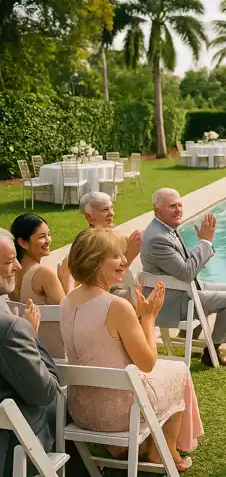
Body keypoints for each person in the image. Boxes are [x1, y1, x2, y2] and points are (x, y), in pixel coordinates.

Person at [61, 228, 203, 472]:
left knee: (160, 373)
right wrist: (148, 319)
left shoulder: (66, 301)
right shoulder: (116, 306)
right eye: (116, 256)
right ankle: (164, 451)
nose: (125, 260)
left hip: (80, 410)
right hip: (118, 414)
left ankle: (141, 447)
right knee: (179, 369)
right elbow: (147, 363)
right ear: (95, 261)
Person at [140, 188, 226, 367]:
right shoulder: (158, 238)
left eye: (180, 205)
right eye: (172, 206)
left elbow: (187, 264)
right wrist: (205, 243)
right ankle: (212, 354)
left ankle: (190, 337)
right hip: (173, 302)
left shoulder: (165, 228)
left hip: (180, 290)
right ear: (157, 211)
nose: (178, 209)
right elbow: (188, 272)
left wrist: (203, 243)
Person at [0, 228, 61, 476]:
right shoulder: (10, 327)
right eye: (8, 261)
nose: (16, 265)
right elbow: (46, 392)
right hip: (13, 450)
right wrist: (31, 336)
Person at [9, 213, 72, 358]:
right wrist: (66, 281)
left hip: (25, 347)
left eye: (49, 235)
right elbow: (67, 316)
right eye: (41, 237)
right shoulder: (43, 274)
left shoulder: (11, 271)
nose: (48, 240)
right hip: (52, 352)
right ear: (23, 243)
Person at [80, 191, 142, 266]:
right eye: (105, 210)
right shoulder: (89, 245)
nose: (111, 213)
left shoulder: (120, 238)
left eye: (111, 208)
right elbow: (107, 276)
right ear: (89, 216)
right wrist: (130, 255)